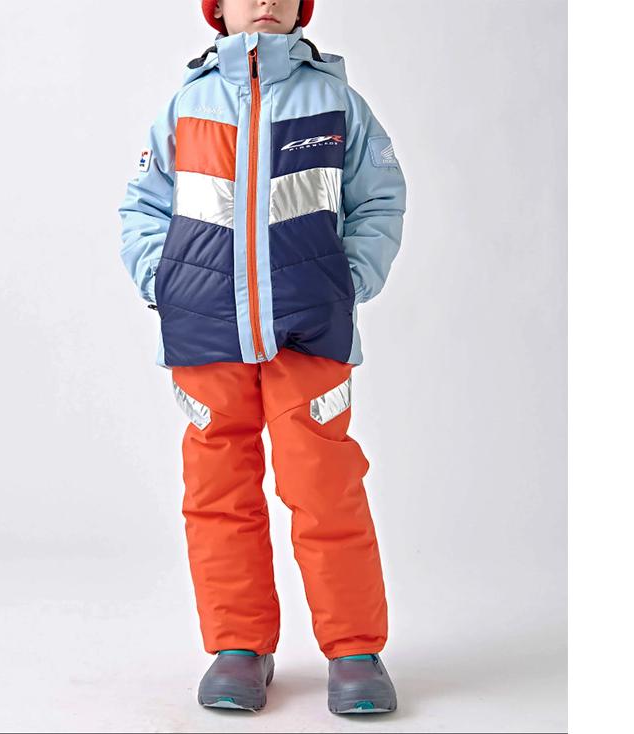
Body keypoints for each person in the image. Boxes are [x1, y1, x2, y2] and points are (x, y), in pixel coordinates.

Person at [118, 0, 407, 715]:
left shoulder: (334, 102)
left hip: (309, 334)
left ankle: (354, 651)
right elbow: (144, 207)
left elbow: (379, 200)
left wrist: (347, 282)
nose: (267, 2)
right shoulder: (187, 105)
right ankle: (239, 646)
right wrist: (164, 281)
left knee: (325, 488)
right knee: (218, 493)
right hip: (206, 333)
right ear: (217, 8)